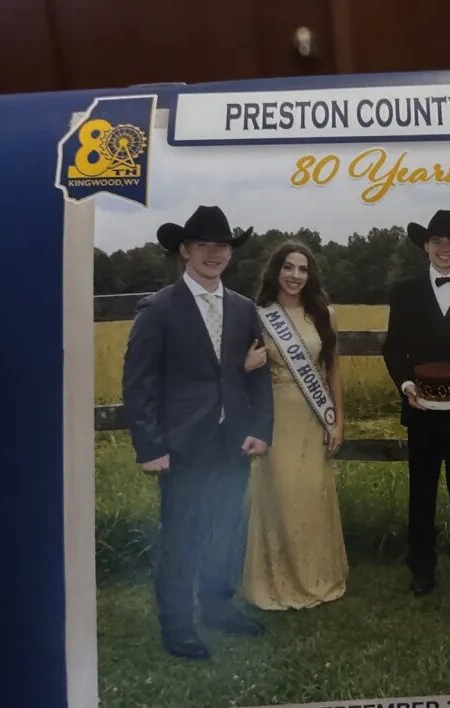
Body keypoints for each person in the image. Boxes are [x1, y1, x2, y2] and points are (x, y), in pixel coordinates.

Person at [121, 205, 274, 659]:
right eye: (203, 245)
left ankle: (218, 608)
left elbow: (256, 375)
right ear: (185, 251)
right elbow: (138, 383)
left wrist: (260, 428)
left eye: (222, 245)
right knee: (182, 536)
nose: (214, 253)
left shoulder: (245, 309)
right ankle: (178, 626)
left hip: (233, 441)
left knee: (226, 529)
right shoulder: (159, 308)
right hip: (182, 445)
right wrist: (149, 445)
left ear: (231, 252)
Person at [381, 209, 450, 596]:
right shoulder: (404, 291)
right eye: (437, 242)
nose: (445, 249)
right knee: (422, 490)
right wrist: (407, 385)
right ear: (425, 246)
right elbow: (393, 349)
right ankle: (422, 565)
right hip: (421, 409)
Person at [240, 240, 349, 609]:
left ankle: (318, 578)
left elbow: (333, 369)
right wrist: (245, 366)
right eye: (289, 268)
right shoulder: (258, 315)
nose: (295, 276)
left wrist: (339, 422)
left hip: (314, 418)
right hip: (275, 418)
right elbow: (238, 369)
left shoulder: (324, 314)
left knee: (311, 495)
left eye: (303, 269)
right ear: (276, 271)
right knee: (280, 496)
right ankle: (277, 582)